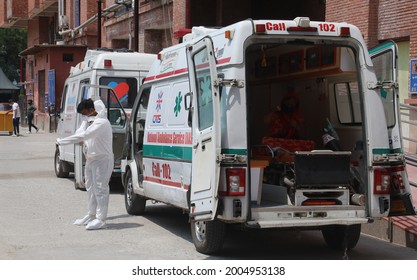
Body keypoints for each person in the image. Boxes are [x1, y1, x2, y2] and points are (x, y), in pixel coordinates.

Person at [56, 98, 113, 230]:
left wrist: (62, 142)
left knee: (100, 189)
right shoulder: (88, 121)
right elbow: (79, 132)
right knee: (90, 187)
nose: (83, 115)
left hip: (102, 160)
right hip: (91, 158)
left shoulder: (101, 123)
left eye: (84, 112)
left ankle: (101, 219)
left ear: (92, 110)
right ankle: (91, 214)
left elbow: (84, 136)